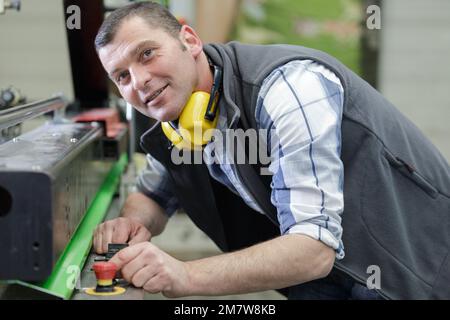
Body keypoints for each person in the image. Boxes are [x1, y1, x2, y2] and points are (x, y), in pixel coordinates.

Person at [93, 2, 450, 299]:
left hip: (415, 275)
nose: (139, 81)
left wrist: (184, 275)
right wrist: (133, 222)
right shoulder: (180, 120)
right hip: (330, 287)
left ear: (190, 40)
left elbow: (312, 250)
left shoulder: (288, 88)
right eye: (122, 76)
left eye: (147, 54)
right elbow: (152, 193)